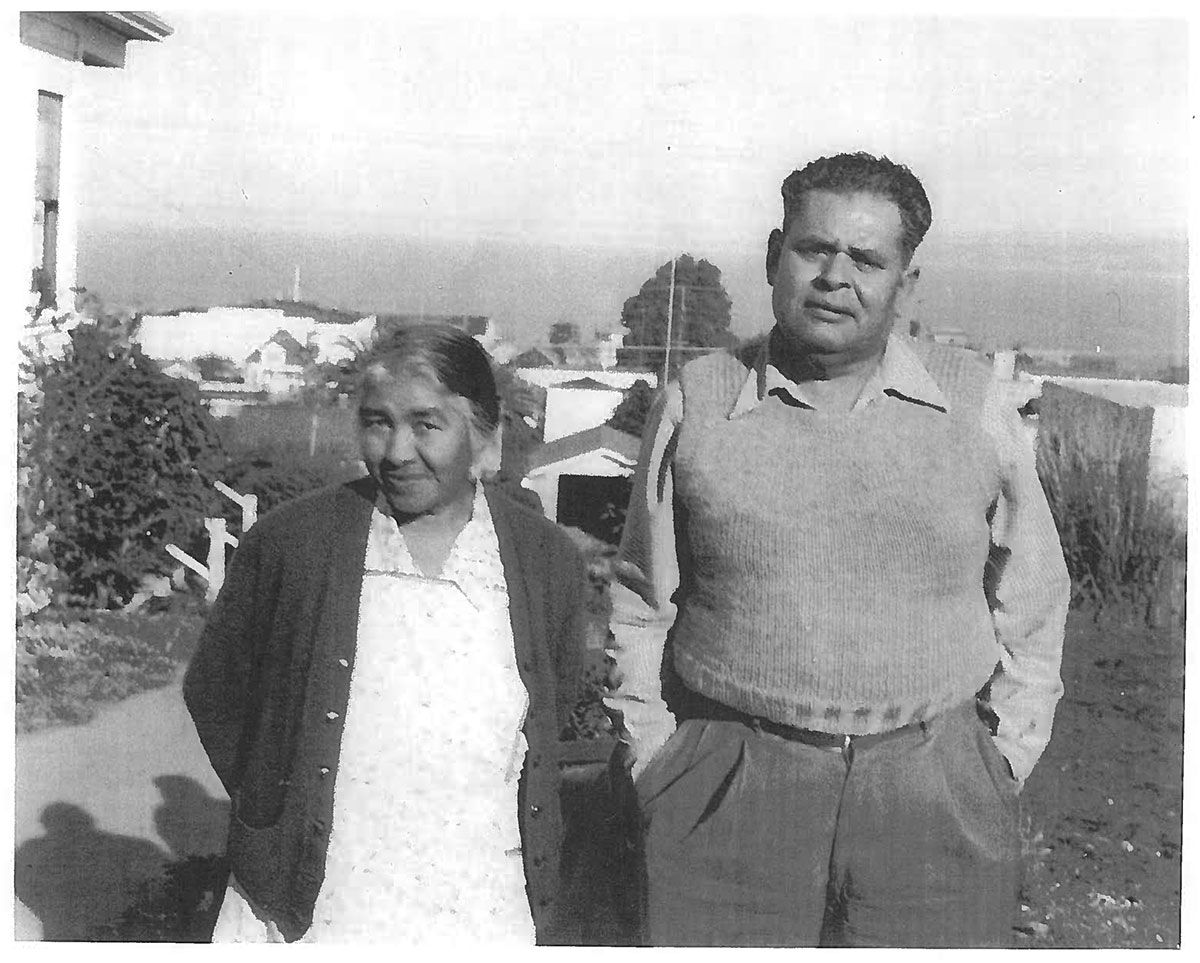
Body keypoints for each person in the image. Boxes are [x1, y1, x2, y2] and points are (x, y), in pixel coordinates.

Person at [605, 152, 1070, 947]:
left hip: (934, 790)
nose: (835, 276)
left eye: (866, 258)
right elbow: (642, 597)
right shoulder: (700, 395)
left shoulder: (973, 400)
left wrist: (1000, 762)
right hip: (727, 784)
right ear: (773, 257)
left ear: (905, 283)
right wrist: (655, 760)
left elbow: (1033, 596)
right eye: (814, 249)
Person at [183, 323, 589, 944]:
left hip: (478, 903)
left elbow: (553, 703)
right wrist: (274, 811)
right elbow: (216, 690)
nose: (397, 452)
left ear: (485, 435)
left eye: (427, 425)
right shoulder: (293, 544)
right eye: (377, 423)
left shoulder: (544, 559)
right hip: (323, 905)